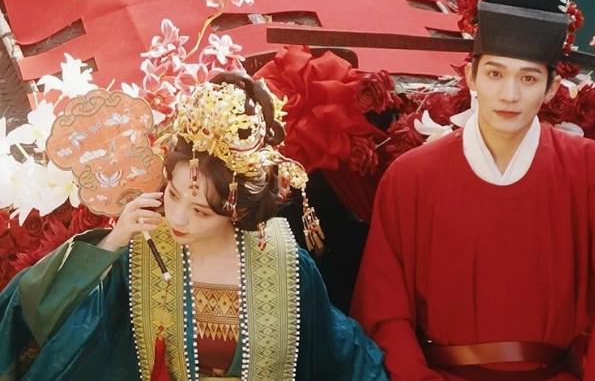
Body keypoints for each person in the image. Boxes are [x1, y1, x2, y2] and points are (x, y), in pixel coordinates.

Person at [351, 0, 595, 381]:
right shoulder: (411, 177)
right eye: (495, 74)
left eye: (529, 78)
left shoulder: (590, 168)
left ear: (551, 88)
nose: (510, 94)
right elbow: (384, 312)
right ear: (471, 76)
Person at [0, 72, 388, 381]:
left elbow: (336, 351)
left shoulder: (285, 264)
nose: (178, 218)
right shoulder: (140, 256)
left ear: (237, 213)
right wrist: (111, 244)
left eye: (201, 211)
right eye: (172, 194)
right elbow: (50, 323)